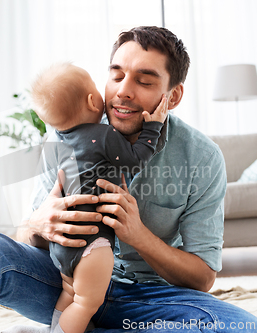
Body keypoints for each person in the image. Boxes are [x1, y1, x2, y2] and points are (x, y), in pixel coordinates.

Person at [0, 26, 257, 333]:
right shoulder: (66, 142)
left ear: (171, 96)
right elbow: (25, 241)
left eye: (144, 80)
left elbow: (202, 278)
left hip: (152, 298)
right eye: (115, 75)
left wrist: (138, 235)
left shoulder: (201, 157)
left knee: (243, 328)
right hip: (67, 284)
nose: (123, 91)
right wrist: (39, 224)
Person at [29, 62, 168, 333]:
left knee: (70, 293)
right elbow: (135, 160)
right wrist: (154, 128)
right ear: (94, 101)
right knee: (86, 304)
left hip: (63, 245)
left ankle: (54, 328)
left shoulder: (57, 145)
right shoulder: (103, 136)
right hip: (94, 243)